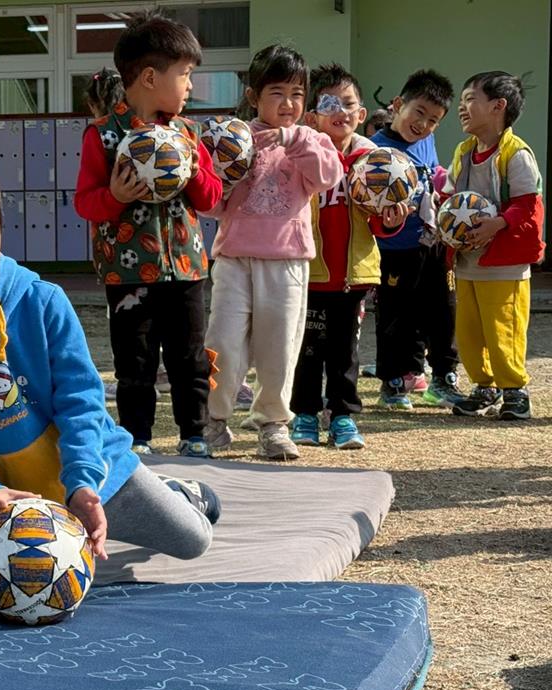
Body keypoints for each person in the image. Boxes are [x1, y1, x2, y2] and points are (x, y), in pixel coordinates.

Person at [0, 147, 219, 569]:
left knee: (194, 539)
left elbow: (80, 399)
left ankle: (178, 492)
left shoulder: (43, 301)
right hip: (18, 499)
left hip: (95, 473)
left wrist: (82, 482)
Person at [75, 12, 223, 458]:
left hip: (186, 268)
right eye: (185, 74)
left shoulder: (188, 133)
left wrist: (194, 170)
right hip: (127, 273)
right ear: (150, 77)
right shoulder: (103, 136)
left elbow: (210, 198)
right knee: (134, 362)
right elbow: (85, 202)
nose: (190, 86)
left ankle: (194, 434)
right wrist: (115, 196)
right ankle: (136, 439)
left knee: (189, 357)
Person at [202, 44, 344, 460]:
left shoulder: (310, 138)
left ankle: (272, 423)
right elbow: (211, 204)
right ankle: (213, 419)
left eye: (297, 94)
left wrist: (291, 138)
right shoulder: (233, 139)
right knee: (222, 344)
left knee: (279, 347)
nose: (288, 103)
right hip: (233, 259)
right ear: (254, 96)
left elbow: (328, 175)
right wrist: (225, 178)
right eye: (277, 92)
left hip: (287, 262)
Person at [290, 64, 409, 450]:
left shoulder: (375, 160)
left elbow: (379, 223)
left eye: (348, 103)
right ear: (312, 117)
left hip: (353, 276)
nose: (339, 111)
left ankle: (342, 415)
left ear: (361, 114)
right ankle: (304, 413)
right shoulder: (302, 156)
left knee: (345, 352)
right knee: (307, 350)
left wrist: (390, 221)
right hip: (309, 272)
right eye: (329, 104)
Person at [443, 72, 545, 419]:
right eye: (462, 100)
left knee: (504, 328)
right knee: (469, 332)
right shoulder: (463, 151)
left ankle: (514, 390)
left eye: (470, 99)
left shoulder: (516, 154)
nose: (462, 107)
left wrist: (498, 223)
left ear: (498, 106)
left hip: (504, 264)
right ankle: (483, 386)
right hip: (467, 260)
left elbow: (528, 203)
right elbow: (449, 196)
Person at [371, 69, 467, 410]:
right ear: (398, 105)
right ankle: (394, 382)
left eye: (434, 120)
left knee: (443, 310)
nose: (423, 124)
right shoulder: (374, 148)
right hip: (394, 248)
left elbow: (434, 174)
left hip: (433, 242)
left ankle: (443, 377)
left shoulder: (426, 141)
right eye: (419, 113)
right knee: (396, 315)